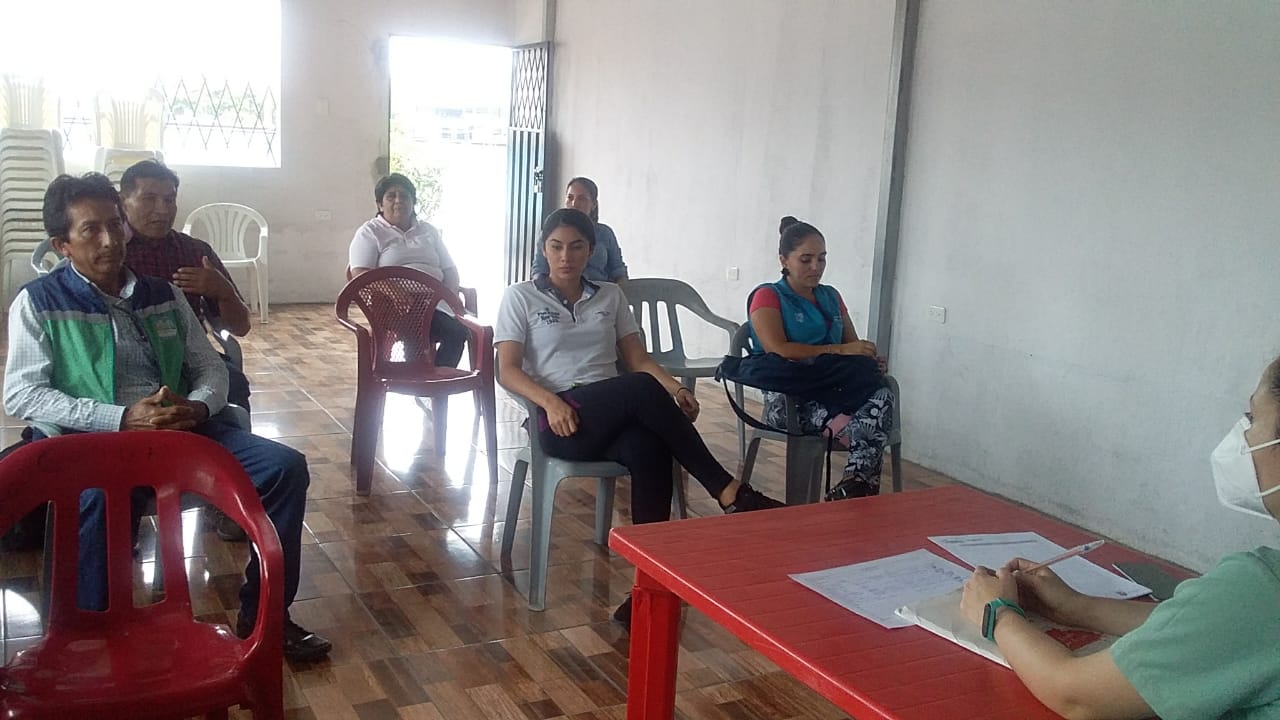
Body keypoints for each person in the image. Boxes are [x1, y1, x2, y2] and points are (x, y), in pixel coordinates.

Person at [3, 173, 331, 662]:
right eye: (91, 229)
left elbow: (208, 365)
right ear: (62, 245)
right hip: (94, 441)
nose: (110, 240)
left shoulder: (162, 293)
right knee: (100, 497)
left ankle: (267, 616)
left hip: (179, 430)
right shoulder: (40, 302)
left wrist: (196, 406)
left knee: (284, 468)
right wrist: (119, 418)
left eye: (114, 225)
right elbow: (22, 393)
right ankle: (91, 640)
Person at [496, 208, 784, 627]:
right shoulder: (520, 297)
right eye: (556, 247)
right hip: (558, 420)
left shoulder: (610, 296)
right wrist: (550, 402)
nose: (565, 256)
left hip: (610, 413)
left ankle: (647, 590)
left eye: (576, 247)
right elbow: (507, 370)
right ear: (543, 249)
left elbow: (638, 359)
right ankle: (727, 491)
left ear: (591, 251)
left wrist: (677, 389)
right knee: (640, 389)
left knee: (649, 448)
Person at [959, 357, 1280, 719]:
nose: (1243, 434)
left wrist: (998, 614)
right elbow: (1209, 630)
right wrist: (1076, 607)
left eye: (1253, 417)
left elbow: (1077, 696)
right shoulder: (1251, 604)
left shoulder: (1262, 590)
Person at [746, 216, 895, 500]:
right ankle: (856, 487)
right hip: (790, 398)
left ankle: (853, 485)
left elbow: (852, 346)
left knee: (883, 393)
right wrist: (839, 351)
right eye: (806, 259)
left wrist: (867, 358)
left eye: (822, 258)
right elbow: (779, 349)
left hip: (834, 390)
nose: (816, 267)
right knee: (870, 429)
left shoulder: (831, 296)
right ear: (784, 260)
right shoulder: (768, 296)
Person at [121, 160, 253, 413]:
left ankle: (228, 437)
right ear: (123, 201)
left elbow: (241, 327)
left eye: (169, 200)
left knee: (233, 383)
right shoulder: (109, 252)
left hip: (189, 359)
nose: (162, 210)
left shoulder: (195, 252)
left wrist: (222, 291)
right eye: (149, 199)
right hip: (126, 363)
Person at [348, 173, 468, 367]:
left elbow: (450, 269)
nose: (398, 201)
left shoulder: (428, 231)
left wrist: (450, 297)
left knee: (460, 331)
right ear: (380, 204)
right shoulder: (370, 232)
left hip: (436, 302)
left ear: (413, 202)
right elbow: (360, 272)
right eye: (391, 196)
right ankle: (421, 377)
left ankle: (435, 377)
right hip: (395, 304)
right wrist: (394, 291)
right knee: (427, 331)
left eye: (404, 196)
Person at [531, 177, 628, 283]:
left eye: (582, 199)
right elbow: (539, 269)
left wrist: (620, 290)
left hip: (601, 290)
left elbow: (618, 270)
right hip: (558, 291)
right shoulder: (551, 231)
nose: (574, 204)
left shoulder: (605, 233)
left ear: (594, 204)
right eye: (570, 198)